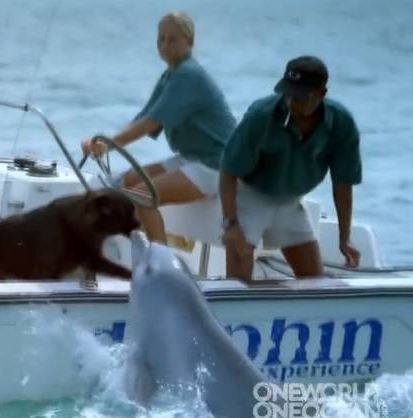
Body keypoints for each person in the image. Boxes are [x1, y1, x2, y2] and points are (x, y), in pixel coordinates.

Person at [81, 11, 236, 243]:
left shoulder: (188, 75)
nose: (165, 45)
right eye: (161, 39)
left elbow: (150, 123)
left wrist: (107, 146)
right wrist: (106, 143)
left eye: (172, 39)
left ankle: (160, 259)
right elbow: (144, 116)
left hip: (216, 165)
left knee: (142, 195)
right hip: (192, 158)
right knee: (128, 181)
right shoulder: (170, 75)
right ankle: (138, 248)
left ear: (190, 42)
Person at [220, 55, 362, 282]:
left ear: (322, 93)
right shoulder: (261, 116)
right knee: (238, 285)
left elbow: (343, 185)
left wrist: (345, 238)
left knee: (315, 282)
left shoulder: (341, 123)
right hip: (249, 196)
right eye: (289, 93)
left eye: (301, 96)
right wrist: (231, 224)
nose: (292, 101)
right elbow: (228, 171)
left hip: (290, 201)